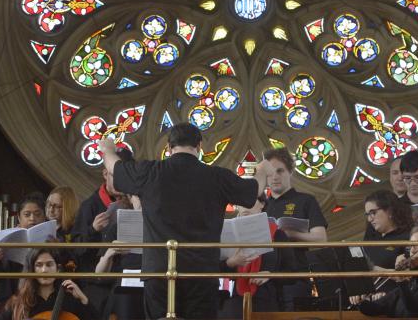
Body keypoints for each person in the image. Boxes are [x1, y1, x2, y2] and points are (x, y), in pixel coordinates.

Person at [101, 123, 268, 319]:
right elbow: (254, 190)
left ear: (169, 147)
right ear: (199, 146)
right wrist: (263, 170)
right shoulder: (217, 177)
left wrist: (107, 149)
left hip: (159, 271)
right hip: (201, 273)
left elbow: (115, 168)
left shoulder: (151, 172)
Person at [261, 147, 328, 310]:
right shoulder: (261, 206)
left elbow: (321, 238)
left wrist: (291, 234)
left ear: (290, 172)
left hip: (296, 276)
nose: (275, 177)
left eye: (280, 171)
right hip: (265, 280)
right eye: (270, 173)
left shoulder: (305, 200)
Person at [218, 194, 299, 317]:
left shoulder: (278, 235)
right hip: (236, 302)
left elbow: (292, 273)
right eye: (240, 202)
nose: (244, 204)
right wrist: (231, 262)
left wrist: (271, 275)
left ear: (262, 204)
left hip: (269, 300)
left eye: (249, 199)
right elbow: (212, 270)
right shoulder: (227, 232)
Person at [352, 226, 418, 317]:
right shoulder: (411, 284)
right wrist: (361, 300)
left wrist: (402, 282)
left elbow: (414, 310)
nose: (413, 250)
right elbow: (375, 308)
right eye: (411, 246)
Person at [0, 249, 98, 320]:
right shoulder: (20, 303)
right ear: (32, 270)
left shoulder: (69, 300)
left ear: (58, 269)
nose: (44, 270)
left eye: (49, 264)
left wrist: (83, 299)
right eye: (39, 265)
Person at [95, 195, 146, 320]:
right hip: (126, 284)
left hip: (153, 281)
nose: (142, 200)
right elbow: (99, 274)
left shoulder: (161, 228)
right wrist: (110, 253)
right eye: (138, 196)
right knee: (125, 297)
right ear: (130, 199)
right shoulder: (117, 227)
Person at [72, 164, 121, 272]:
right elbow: (76, 248)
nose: (121, 182)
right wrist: (93, 229)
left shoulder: (133, 202)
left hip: (123, 273)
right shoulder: (89, 206)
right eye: (116, 176)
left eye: (124, 178)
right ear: (105, 174)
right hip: (94, 276)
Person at [362, 190, 414, 274]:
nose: (369, 219)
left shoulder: (408, 237)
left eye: (373, 213)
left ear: (390, 211)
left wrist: (373, 269)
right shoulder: (371, 234)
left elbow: (405, 275)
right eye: (367, 214)